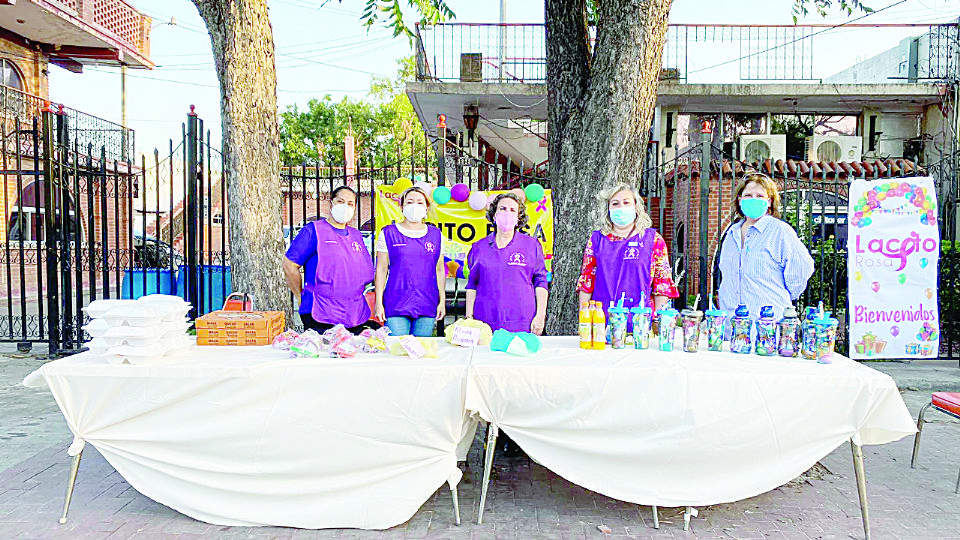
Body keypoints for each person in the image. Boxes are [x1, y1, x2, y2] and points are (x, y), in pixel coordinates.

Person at [716, 172, 814, 328]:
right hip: (731, 327)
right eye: (748, 195)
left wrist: (784, 295)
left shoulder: (779, 231)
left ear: (769, 201)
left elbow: (802, 268)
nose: (753, 199)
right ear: (740, 200)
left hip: (767, 329)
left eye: (759, 196)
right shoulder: (731, 234)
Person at [577, 184, 678, 322]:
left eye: (626, 202)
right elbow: (587, 283)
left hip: (641, 324)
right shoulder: (596, 241)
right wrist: (584, 318)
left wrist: (659, 322)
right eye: (615, 204)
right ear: (608, 209)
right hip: (602, 322)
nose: (621, 208)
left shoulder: (654, 241)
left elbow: (662, 285)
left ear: (636, 207)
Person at [283, 185, 376, 333]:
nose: (345, 206)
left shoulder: (356, 236)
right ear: (331, 203)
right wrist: (300, 296)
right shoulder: (313, 231)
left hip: (354, 314)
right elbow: (289, 265)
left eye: (350, 203)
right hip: (320, 312)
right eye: (340, 201)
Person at [465, 192, 548, 335]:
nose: (507, 213)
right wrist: (469, 318)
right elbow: (472, 284)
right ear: (494, 214)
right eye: (502, 209)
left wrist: (540, 315)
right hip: (485, 320)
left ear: (518, 218)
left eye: (512, 210)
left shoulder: (531, 245)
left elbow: (540, 282)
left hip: (522, 319)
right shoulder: (478, 247)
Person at [373, 186, 446, 336]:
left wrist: (442, 301)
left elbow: (439, 270)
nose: (415, 206)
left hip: (426, 303)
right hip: (396, 303)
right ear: (401, 206)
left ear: (426, 208)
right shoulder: (388, 233)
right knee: (397, 352)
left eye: (420, 203)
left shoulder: (436, 235)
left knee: (421, 354)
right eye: (410, 202)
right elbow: (381, 270)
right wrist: (379, 303)